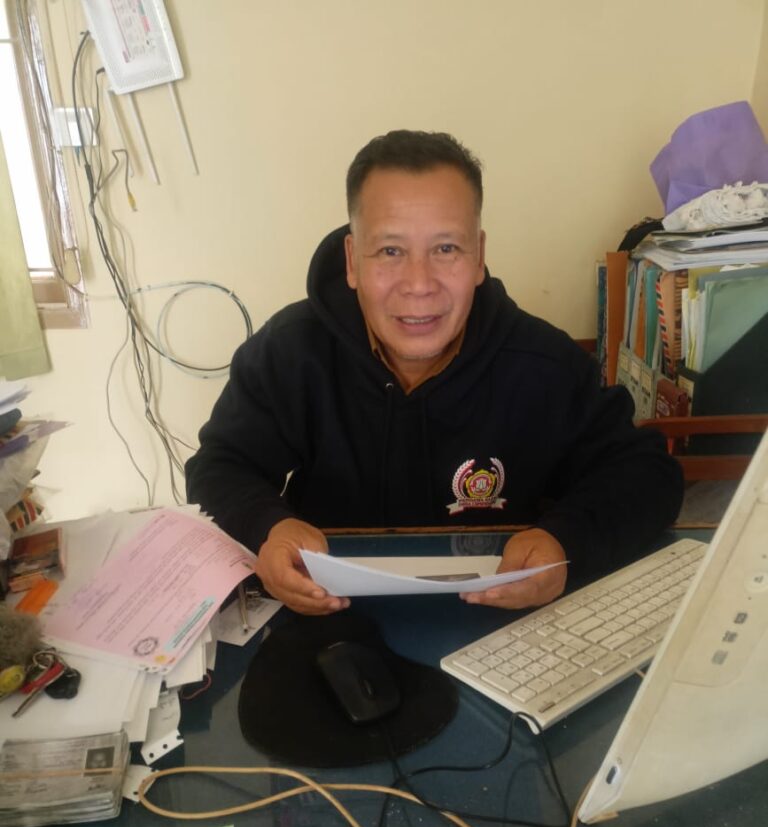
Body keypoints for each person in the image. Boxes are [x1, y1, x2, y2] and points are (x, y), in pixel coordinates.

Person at [186, 130, 683, 615]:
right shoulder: (290, 352)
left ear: (479, 256)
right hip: (329, 613)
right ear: (352, 261)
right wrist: (268, 526)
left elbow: (647, 475)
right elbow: (220, 465)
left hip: (495, 619)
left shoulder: (543, 363)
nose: (419, 284)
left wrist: (565, 541)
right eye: (390, 251)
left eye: (446, 249)